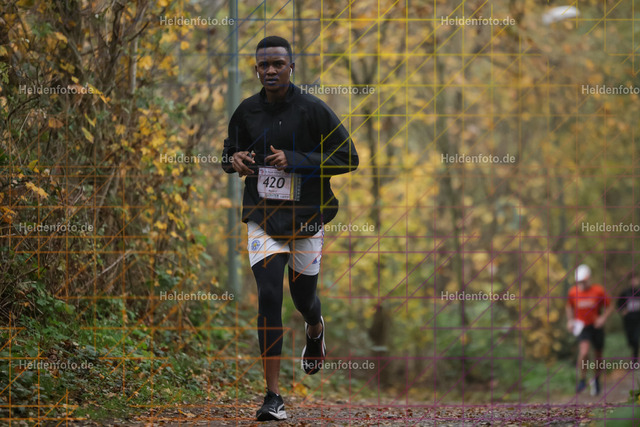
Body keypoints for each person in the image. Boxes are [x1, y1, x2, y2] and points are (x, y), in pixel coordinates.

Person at [221, 36, 359, 421]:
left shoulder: (313, 109)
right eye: (263, 65)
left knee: (303, 299)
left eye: (277, 64)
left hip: (306, 218)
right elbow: (227, 154)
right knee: (269, 294)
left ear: (291, 67)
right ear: (256, 70)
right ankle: (273, 396)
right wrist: (235, 160)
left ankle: (315, 329)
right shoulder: (246, 111)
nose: (270, 70)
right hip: (263, 217)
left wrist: (296, 160)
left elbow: (349, 158)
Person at [566, 264, 614, 395]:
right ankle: (582, 379)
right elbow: (569, 306)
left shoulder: (598, 291)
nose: (582, 284)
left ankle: (596, 380)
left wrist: (603, 318)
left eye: (584, 281)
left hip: (596, 326)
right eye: (579, 281)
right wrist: (570, 320)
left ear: (589, 278)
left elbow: (610, 306)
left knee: (598, 355)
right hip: (583, 327)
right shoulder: (573, 292)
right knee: (584, 352)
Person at [617, 273, 640, 367]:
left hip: (638, 321)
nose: (634, 282)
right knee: (630, 340)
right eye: (632, 280)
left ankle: (635, 361)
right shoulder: (625, 293)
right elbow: (619, 304)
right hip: (628, 321)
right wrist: (623, 310)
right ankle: (633, 356)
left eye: (636, 279)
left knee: (636, 339)